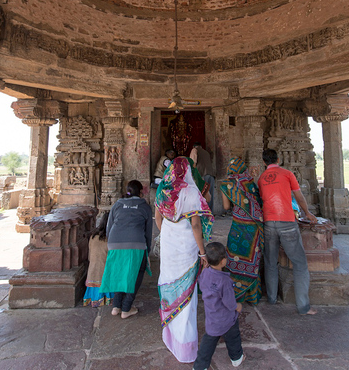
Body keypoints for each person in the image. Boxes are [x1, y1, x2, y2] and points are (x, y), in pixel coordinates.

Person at [156, 156, 214, 363]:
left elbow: (158, 218)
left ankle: (170, 336)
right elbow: (196, 226)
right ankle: (185, 348)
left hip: (169, 245)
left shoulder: (162, 190)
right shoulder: (190, 191)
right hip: (186, 246)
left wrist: (168, 235)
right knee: (187, 294)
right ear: (187, 171)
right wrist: (202, 253)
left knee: (168, 282)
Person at [257, 149, 318, 316]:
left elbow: (263, 199)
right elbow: (298, 197)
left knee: (270, 261)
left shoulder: (261, 179)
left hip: (269, 222)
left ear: (264, 162)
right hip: (287, 222)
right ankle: (303, 307)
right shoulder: (287, 173)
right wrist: (307, 213)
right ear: (278, 159)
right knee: (299, 263)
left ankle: (271, 298)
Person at [99, 180, 153, 319]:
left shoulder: (117, 204)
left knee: (119, 271)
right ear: (140, 192)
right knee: (136, 273)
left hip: (115, 243)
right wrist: (147, 250)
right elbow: (148, 233)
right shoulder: (145, 207)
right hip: (136, 243)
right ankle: (126, 308)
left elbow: (109, 227)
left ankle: (116, 306)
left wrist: (112, 244)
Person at [193, 242, 245, 370]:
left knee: (208, 343)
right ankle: (237, 358)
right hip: (227, 319)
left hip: (212, 317)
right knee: (233, 338)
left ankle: (199, 367)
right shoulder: (225, 281)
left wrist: (205, 270)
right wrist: (237, 306)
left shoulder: (204, 274)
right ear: (223, 261)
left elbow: (201, 283)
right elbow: (229, 302)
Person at [220, 157, 264, 304]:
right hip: (254, 226)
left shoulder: (227, 184)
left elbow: (226, 207)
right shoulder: (250, 181)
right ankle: (252, 295)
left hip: (238, 225)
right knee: (252, 257)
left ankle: (237, 292)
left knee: (235, 255)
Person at [83, 213, 114, 307]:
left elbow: (89, 256)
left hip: (92, 273)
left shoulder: (93, 236)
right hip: (104, 274)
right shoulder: (110, 238)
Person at [189, 142, 216, 210]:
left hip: (202, 175)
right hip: (210, 175)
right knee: (210, 196)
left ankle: (203, 214)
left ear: (194, 146)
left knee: (202, 195)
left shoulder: (194, 150)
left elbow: (193, 162)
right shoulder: (206, 152)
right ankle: (210, 213)